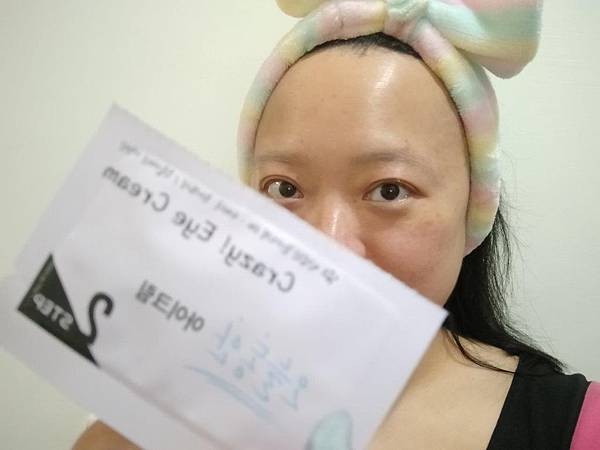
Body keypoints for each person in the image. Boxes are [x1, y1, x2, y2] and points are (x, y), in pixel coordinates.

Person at [74, 1, 599, 448]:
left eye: (389, 190)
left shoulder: (576, 426)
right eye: (284, 189)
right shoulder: (158, 416)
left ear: (473, 210)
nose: (325, 244)